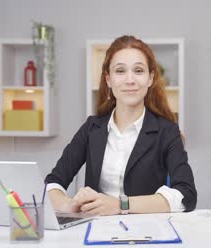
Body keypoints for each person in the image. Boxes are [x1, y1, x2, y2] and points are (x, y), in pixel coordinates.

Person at [45, 35, 196, 216]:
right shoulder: (92, 128)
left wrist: (120, 205)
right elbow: (52, 184)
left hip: (147, 234)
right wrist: (69, 206)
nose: (130, 80)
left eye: (139, 71)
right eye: (120, 71)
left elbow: (186, 195)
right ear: (108, 79)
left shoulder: (167, 131)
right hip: (96, 231)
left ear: (150, 78)